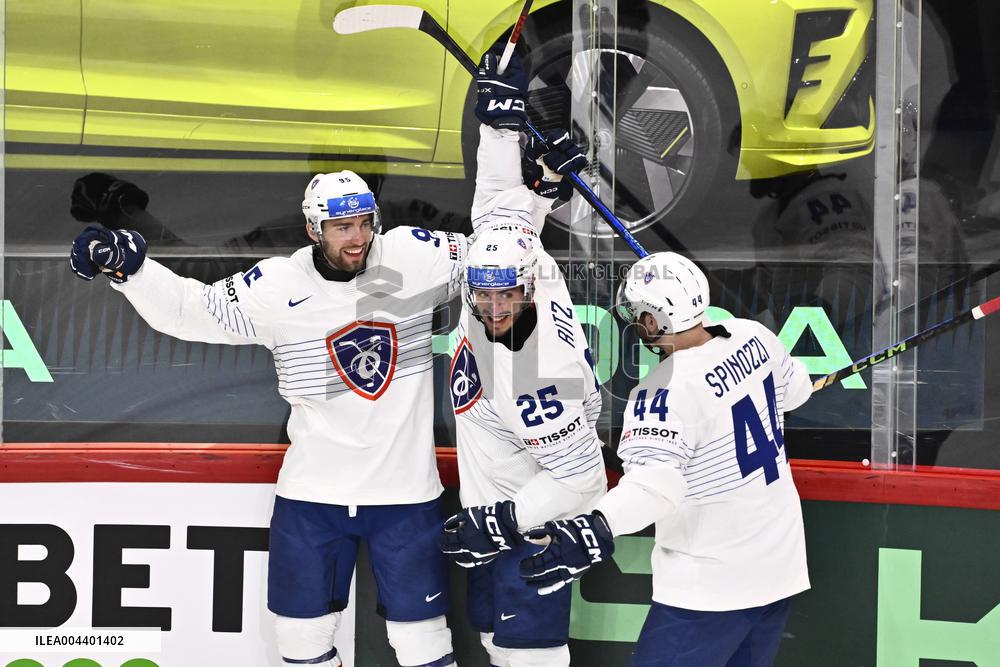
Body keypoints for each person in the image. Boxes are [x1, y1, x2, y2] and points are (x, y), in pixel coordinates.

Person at [68, 170, 467, 667]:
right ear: (312, 229)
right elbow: (191, 310)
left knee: (424, 644)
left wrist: (533, 196)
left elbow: (500, 255)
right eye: (342, 227)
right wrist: (133, 271)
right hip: (311, 497)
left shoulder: (413, 257)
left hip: (407, 496)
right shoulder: (277, 286)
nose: (358, 237)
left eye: (365, 223)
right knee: (300, 643)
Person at [520, 252, 814, 667]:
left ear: (656, 320)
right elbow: (798, 390)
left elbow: (655, 487)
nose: (635, 323)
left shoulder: (660, 391)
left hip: (708, 589)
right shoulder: (753, 336)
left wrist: (592, 529)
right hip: (778, 573)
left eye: (639, 313)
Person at [438, 51, 608, 667]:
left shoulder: (538, 370)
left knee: (531, 658)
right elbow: (496, 209)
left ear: (527, 287)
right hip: (495, 513)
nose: (492, 304)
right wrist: (505, 135)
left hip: (525, 531)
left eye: (504, 293)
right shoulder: (523, 264)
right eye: (482, 291)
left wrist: (504, 521)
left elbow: (584, 480)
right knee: (493, 646)